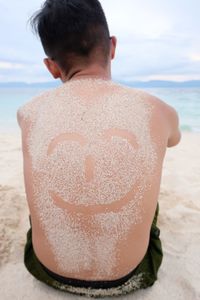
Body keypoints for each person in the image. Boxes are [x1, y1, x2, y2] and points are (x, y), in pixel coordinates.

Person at [17, 0, 181, 297]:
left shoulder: (28, 113)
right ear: (113, 47)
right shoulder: (156, 110)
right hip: (132, 274)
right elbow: (174, 140)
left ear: (51, 67)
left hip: (46, 270)